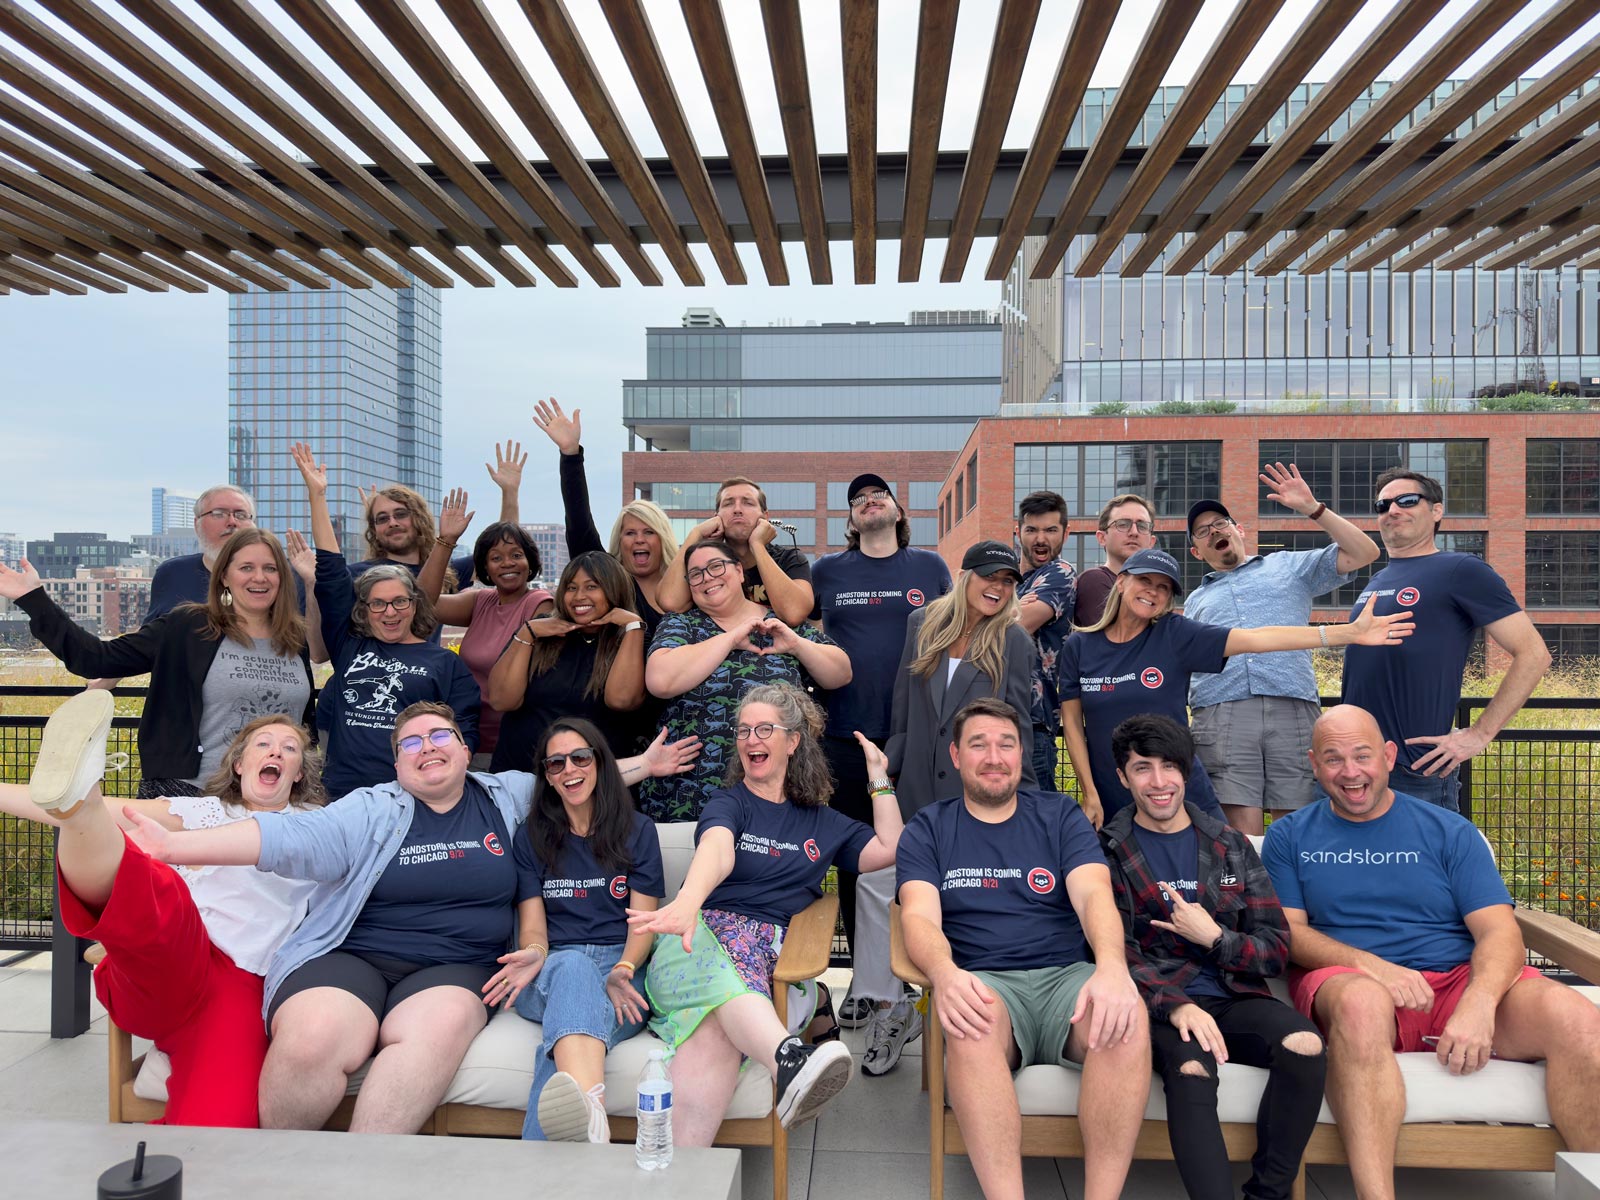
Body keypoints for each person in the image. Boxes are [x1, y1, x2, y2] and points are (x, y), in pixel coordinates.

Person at [123, 701, 699, 1135]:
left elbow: (577, 780)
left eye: (439, 735)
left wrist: (643, 765)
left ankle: (362, 1180)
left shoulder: (508, 795)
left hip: (456, 966)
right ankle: (285, 1173)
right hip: (350, 955)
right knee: (312, 1041)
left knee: (433, 1034)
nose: (426, 747)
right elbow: (289, 833)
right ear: (396, 764)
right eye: (410, 743)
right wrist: (176, 848)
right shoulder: (370, 809)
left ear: (464, 747)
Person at [1262, 704, 1600, 1200]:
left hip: (1456, 980)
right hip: (1349, 981)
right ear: (1314, 764)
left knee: (1579, 1019)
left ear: (1389, 755)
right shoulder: (1289, 837)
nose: (1350, 772)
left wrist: (1479, 1003)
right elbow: (1288, 933)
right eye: (1334, 759)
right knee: (1360, 1003)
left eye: (1363, 755)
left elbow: (1500, 933)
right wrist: (1374, 968)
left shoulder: (1449, 831)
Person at [0, 694, 322, 1127]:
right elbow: (124, 814)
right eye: (263, 744)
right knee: (156, 882)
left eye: (289, 748)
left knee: (223, 1126)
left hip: (243, 983)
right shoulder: (205, 810)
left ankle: (81, 807)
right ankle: (81, 805)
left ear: (298, 772)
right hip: (169, 958)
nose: (276, 752)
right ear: (241, 764)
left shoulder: (318, 823)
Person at [896, 697, 1148, 1200]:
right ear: (956, 756)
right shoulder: (929, 827)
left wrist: (1113, 969)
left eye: (1006, 744)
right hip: (985, 979)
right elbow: (918, 917)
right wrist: (945, 975)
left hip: (1065, 978)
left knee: (1124, 1019)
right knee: (971, 1023)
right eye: (979, 745)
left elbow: (1095, 895)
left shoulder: (1059, 815)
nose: (994, 757)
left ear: (1023, 752)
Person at [628, 683, 903, 1142]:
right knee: (725, 969)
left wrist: (878, 776)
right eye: (743, 731)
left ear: (793, 742)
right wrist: (689, 903)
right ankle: (790, 1059)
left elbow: (889, 848)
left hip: (775, 962)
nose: (751, 739)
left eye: (764, 729)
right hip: (697, 939)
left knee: (714, 1034)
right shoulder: (729, 803)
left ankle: (673, 1179)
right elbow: (719, 851)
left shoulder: (823, 821)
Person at [1100, 714, 1325, 1200]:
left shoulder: (1230, 845)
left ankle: (1267, 1195)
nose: (1159, 782)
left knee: (1305, 1046)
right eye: (1142, 769)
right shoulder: (1108, 852)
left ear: (1187, 771)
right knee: (1191, 1070)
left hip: (1232, 993)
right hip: (1161, 1004)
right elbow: (1111, 951)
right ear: (1122, 777)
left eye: (1169, 767)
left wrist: (1215, 938)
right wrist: (1175, 1004)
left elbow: (1276, 949)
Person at [1058, 547, 1414, 829]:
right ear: (1121, 582)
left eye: (1164, 587)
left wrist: (1345, 634)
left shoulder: (1176, 635)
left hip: (1178, 788)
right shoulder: (1080, 646)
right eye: (1145, 580)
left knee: (1216, 876)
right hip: (1111, 788)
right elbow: (1074, 727)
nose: (1153, 591)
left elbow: (1258, 639)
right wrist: (1089, 792)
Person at [810, 471, 951, 1069]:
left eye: (878, 495)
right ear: (850, 521)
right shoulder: (827, 573)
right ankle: (867, 991)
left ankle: (906, 985)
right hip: (841, 734)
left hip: (911, 736)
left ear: (898, 510)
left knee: (909, 860)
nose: (868, 502)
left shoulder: (929, 568)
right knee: (853, 861)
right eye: (857, 499)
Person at [1, 530, 315, 798]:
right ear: (224, 576)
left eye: (270, 568)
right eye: (246, 567)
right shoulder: (187, 626)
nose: (259, 577)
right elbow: (96, 658)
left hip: (273, 801)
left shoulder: (293, 638)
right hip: (189, 795)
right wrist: (33, 599)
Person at [1184, 463, 1380, 835]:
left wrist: (1312, 508)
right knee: (1241, 837)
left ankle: (1294, 896)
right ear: (1197, 551)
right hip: (1221, 714)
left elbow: (1364, 552)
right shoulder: (1194, 601)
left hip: (1291, 707)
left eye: (1221, 524)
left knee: (1299, 826)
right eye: (1203, 532)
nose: (1214, 532)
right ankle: (1255, 896)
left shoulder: (1287, 566)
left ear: (1239, 530)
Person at [1340, 468, 1550, 813]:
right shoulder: (1377, 578)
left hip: (1415, 770)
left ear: (1436, 511)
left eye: (1407, 500)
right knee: (1350, 867)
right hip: (1355, 768)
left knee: (1422, 868)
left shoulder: (1461, 569)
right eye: (1383, 504)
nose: (1393, 510)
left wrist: (1478, 734)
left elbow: (1534, 654)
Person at [506, 718, 665, 1143]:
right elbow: (534, 926)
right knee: (572, 966)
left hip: (621, 968)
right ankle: (591, 1114)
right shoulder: (531, 837)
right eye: (555, 764)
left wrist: (626, 967)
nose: (569, 770)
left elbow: (642, 923)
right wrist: (536, 953)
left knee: (563, 1046)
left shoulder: (638, 831)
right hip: (551, 969)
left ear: (599, 762)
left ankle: (581, 1123)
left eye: (580, 757)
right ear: (547, 777)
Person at [287, 443, 479, 794]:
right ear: (363, 610)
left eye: (399, 602)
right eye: (378, 604)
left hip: (417, 792)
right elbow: (330, 572)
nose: (389, 612)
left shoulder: (445, 665)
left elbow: (464, 730)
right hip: (346, 793)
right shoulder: (350, 647)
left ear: (415, 604)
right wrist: (317, 496)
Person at [636, 540, 851, 824]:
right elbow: (660, 680)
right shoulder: (682, 625)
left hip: (775, 797)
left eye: (715, 566)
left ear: (739, 571)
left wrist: (797, 645)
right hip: (690, 798)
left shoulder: (780, 623)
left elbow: (841, 672)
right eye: (696, 574)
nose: (707, 578)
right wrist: (730, 639)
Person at [887, 540, 1037, 817]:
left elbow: (1018, 728)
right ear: (964, 576)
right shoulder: (921, 623)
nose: (998, 587)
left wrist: (1024, 801)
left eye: (1007, 581)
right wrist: (890, 772)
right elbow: (902, 706)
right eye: (989, 576)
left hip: (976, 793)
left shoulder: (1015, 642)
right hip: (916, 791)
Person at [420, 490, 554, 766]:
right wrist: (446, 541)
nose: (507, 563)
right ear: (485, 567)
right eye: (496, 558)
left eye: (516, 555)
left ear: (530, 562)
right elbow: (421, 603)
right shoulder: (480, 601)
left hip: (519, 743)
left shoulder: (540, 604)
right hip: (470, 738)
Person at [486, 551, 647, 773]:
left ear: (614, 589)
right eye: (571, 588)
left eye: (591, 587)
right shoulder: (539, 631)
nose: (579, 596)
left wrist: (633, 627)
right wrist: (526, 633)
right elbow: (501, 700)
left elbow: (621, 700)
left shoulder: (630, 638)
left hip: (589, 780)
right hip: (521, 774)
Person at [533, 396, 680, 635]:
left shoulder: (686, 582)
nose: (639, 539)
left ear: (662, 538)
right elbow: (579, 523)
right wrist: (570, 455)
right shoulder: (607, 579)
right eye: (630, 532)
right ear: (620, 540)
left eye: (648, 532)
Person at [348, 438, 527, 589]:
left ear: (420, 519)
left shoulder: (446, 573)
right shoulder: (356, 575)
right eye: (382, 518)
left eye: (401, 514)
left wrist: (510, 492)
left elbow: (502, 547)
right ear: (374, 530)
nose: (392, 522)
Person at [656, 477, 814, 626]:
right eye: (728, 504)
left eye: (748, 503)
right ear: (716, 517)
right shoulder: (703, 564)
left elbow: (795, 613)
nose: (737, 509)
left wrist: (757, 545)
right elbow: (670, 603)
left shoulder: (790, 558)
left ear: (765, 516)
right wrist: (695, 534)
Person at [1015, 490, 1077, 789]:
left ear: (1066, 532)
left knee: (1038, 819)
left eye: (1051, 530)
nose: (1041, 539)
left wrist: (993, 610)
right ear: (1018, 532)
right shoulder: (1008, 577)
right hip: (992, 715)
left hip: (1033, 723)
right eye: (1032, 530)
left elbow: (1018, 625)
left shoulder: (1060, 573)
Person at [145, 484, 257, 618]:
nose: (232, 522)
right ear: (197, 525)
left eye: (241, 515)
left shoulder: (280, 574)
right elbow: (152, 636)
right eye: (219, 514)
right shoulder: (172, 573)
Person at [1073, 493, 1156, 627]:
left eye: (1142, 526)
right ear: (1102, 538)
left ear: (1152, 542)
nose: (1134, 532)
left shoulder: (1157, 588)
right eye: (1123, 524)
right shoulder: (1094, 581)